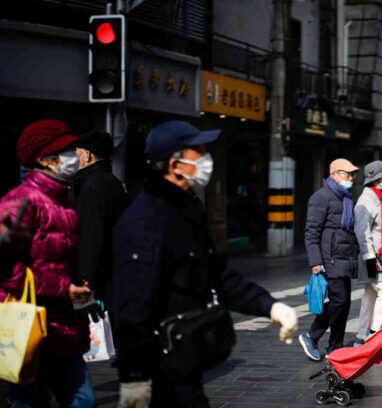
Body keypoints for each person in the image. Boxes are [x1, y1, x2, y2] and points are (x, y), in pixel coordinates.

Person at [112, 121, 297, 407]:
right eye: (198, 150)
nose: (206, 156)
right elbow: (132, 305)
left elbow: (216, 273)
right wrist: (134, 378)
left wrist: (269, 305)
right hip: (157, 369)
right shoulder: (145, 220)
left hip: (186, 359)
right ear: (175, 165)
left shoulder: (187, 209)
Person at [0, 119, 95, 407]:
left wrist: (82, 295)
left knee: (82, 400)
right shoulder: (19, 202)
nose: (73, 155)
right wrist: (63, 288)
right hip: (25, 328)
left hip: (64, 326)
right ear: (42, 159)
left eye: (71, 148)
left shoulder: (63, 202)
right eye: (64, 150)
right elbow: (5, 267)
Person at [299, 158, 360, 360]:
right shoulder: (321, 197)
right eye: (346, 174)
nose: (350, 178)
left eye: (352, 174)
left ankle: (335, 346)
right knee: (339, 301)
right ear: (334, 174)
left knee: (343, 303)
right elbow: (311, 232)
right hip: (330, 259)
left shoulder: (346, 198)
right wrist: (315, 261)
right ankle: (313, 336)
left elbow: (349, 231)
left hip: (345, 258)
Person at [71, 130, 128, 312]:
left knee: (93, 333)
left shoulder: (90, 187)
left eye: (76, 153)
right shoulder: (113, 183)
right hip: (114, 278)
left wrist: (83, 295)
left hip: (95, 283)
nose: (73, 159)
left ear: (87, 155)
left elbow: (91, 240)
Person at [353, 161, 382, 347]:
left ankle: (360, 337)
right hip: (373, 258)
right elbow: (361, 232)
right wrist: (371, 260)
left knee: (370, 298)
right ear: (376, 180)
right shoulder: (366, 200)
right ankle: (373, 334)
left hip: (381, 256)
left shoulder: (381, 198)